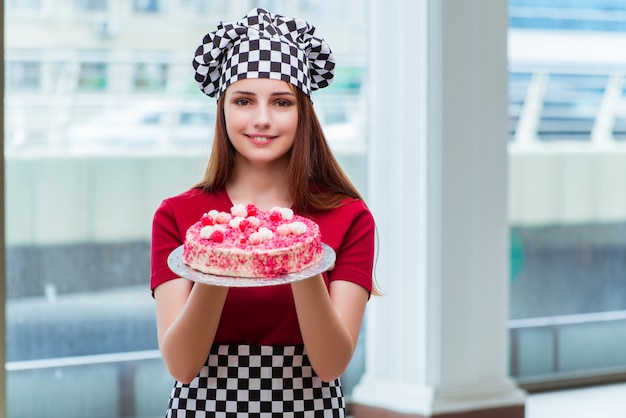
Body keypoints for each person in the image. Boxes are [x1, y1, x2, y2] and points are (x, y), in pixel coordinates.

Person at [150, 7, 377, 417]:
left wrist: (296, 247)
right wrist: (222, 250)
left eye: (281, 102)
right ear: (223, 109)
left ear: (303, 112)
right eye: (243, 100)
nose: (262, 119)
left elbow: (331, 365)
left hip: (309, 407)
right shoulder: (178, 217)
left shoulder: (350, 217)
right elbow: (181, 366)